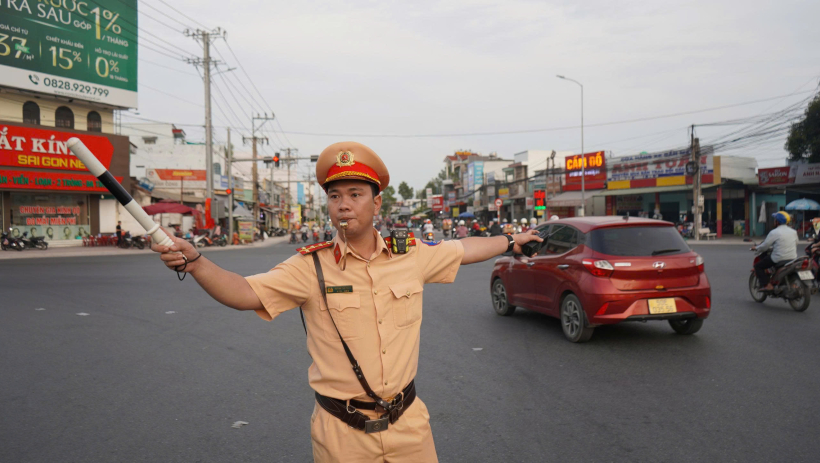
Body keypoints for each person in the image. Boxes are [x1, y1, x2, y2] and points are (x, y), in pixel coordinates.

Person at [151, 141, 541, 462]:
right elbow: (244, 292)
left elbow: (463, 248)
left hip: (409, 426)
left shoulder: (410, 254)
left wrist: (510, 241)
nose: (344, 204)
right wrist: (197, 263)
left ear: (377, 203)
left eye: (355, 194)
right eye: (335, 195)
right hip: (342, 435)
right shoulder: (310, 267)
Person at [752, 211, 798, 292]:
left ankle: (768, 285)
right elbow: (796, 243)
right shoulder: (793, 232)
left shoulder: (774, 232)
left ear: (777, 222)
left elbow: (765, 246)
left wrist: (756, 248)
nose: (774, 221)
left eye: (775, 220)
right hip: (792, 258)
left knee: (758, 266)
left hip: (778, 258)